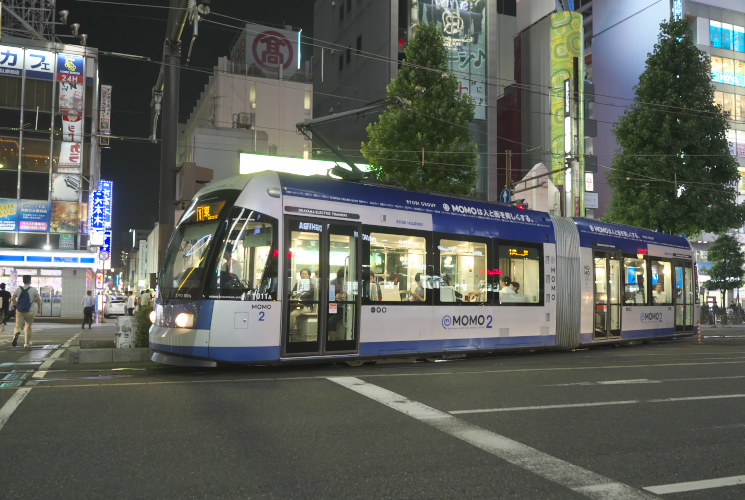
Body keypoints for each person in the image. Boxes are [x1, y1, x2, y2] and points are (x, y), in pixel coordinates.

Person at [12, 275, 41, 348]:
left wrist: (17, 304)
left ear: (23, 281)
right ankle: (27, 343)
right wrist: (39, 308)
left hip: (20, 310)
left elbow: (12, 299)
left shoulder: (18, 289)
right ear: (30, 281)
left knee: (18, 326)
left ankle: (17, 333)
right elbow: (38, 298)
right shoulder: (34, 289)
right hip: (30, 311)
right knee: (28, 326)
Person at [289, 268, 314, 334]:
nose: (303, 275)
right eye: (302, 274)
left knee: (292, 314)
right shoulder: (298, 284)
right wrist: (293, 297)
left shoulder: (310, 285)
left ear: (309, 276)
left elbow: (307, 294)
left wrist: (298, 297)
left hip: (306, 306)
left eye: (305, 274)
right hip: (297, 305)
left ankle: (293, 329)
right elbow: (293, 293)